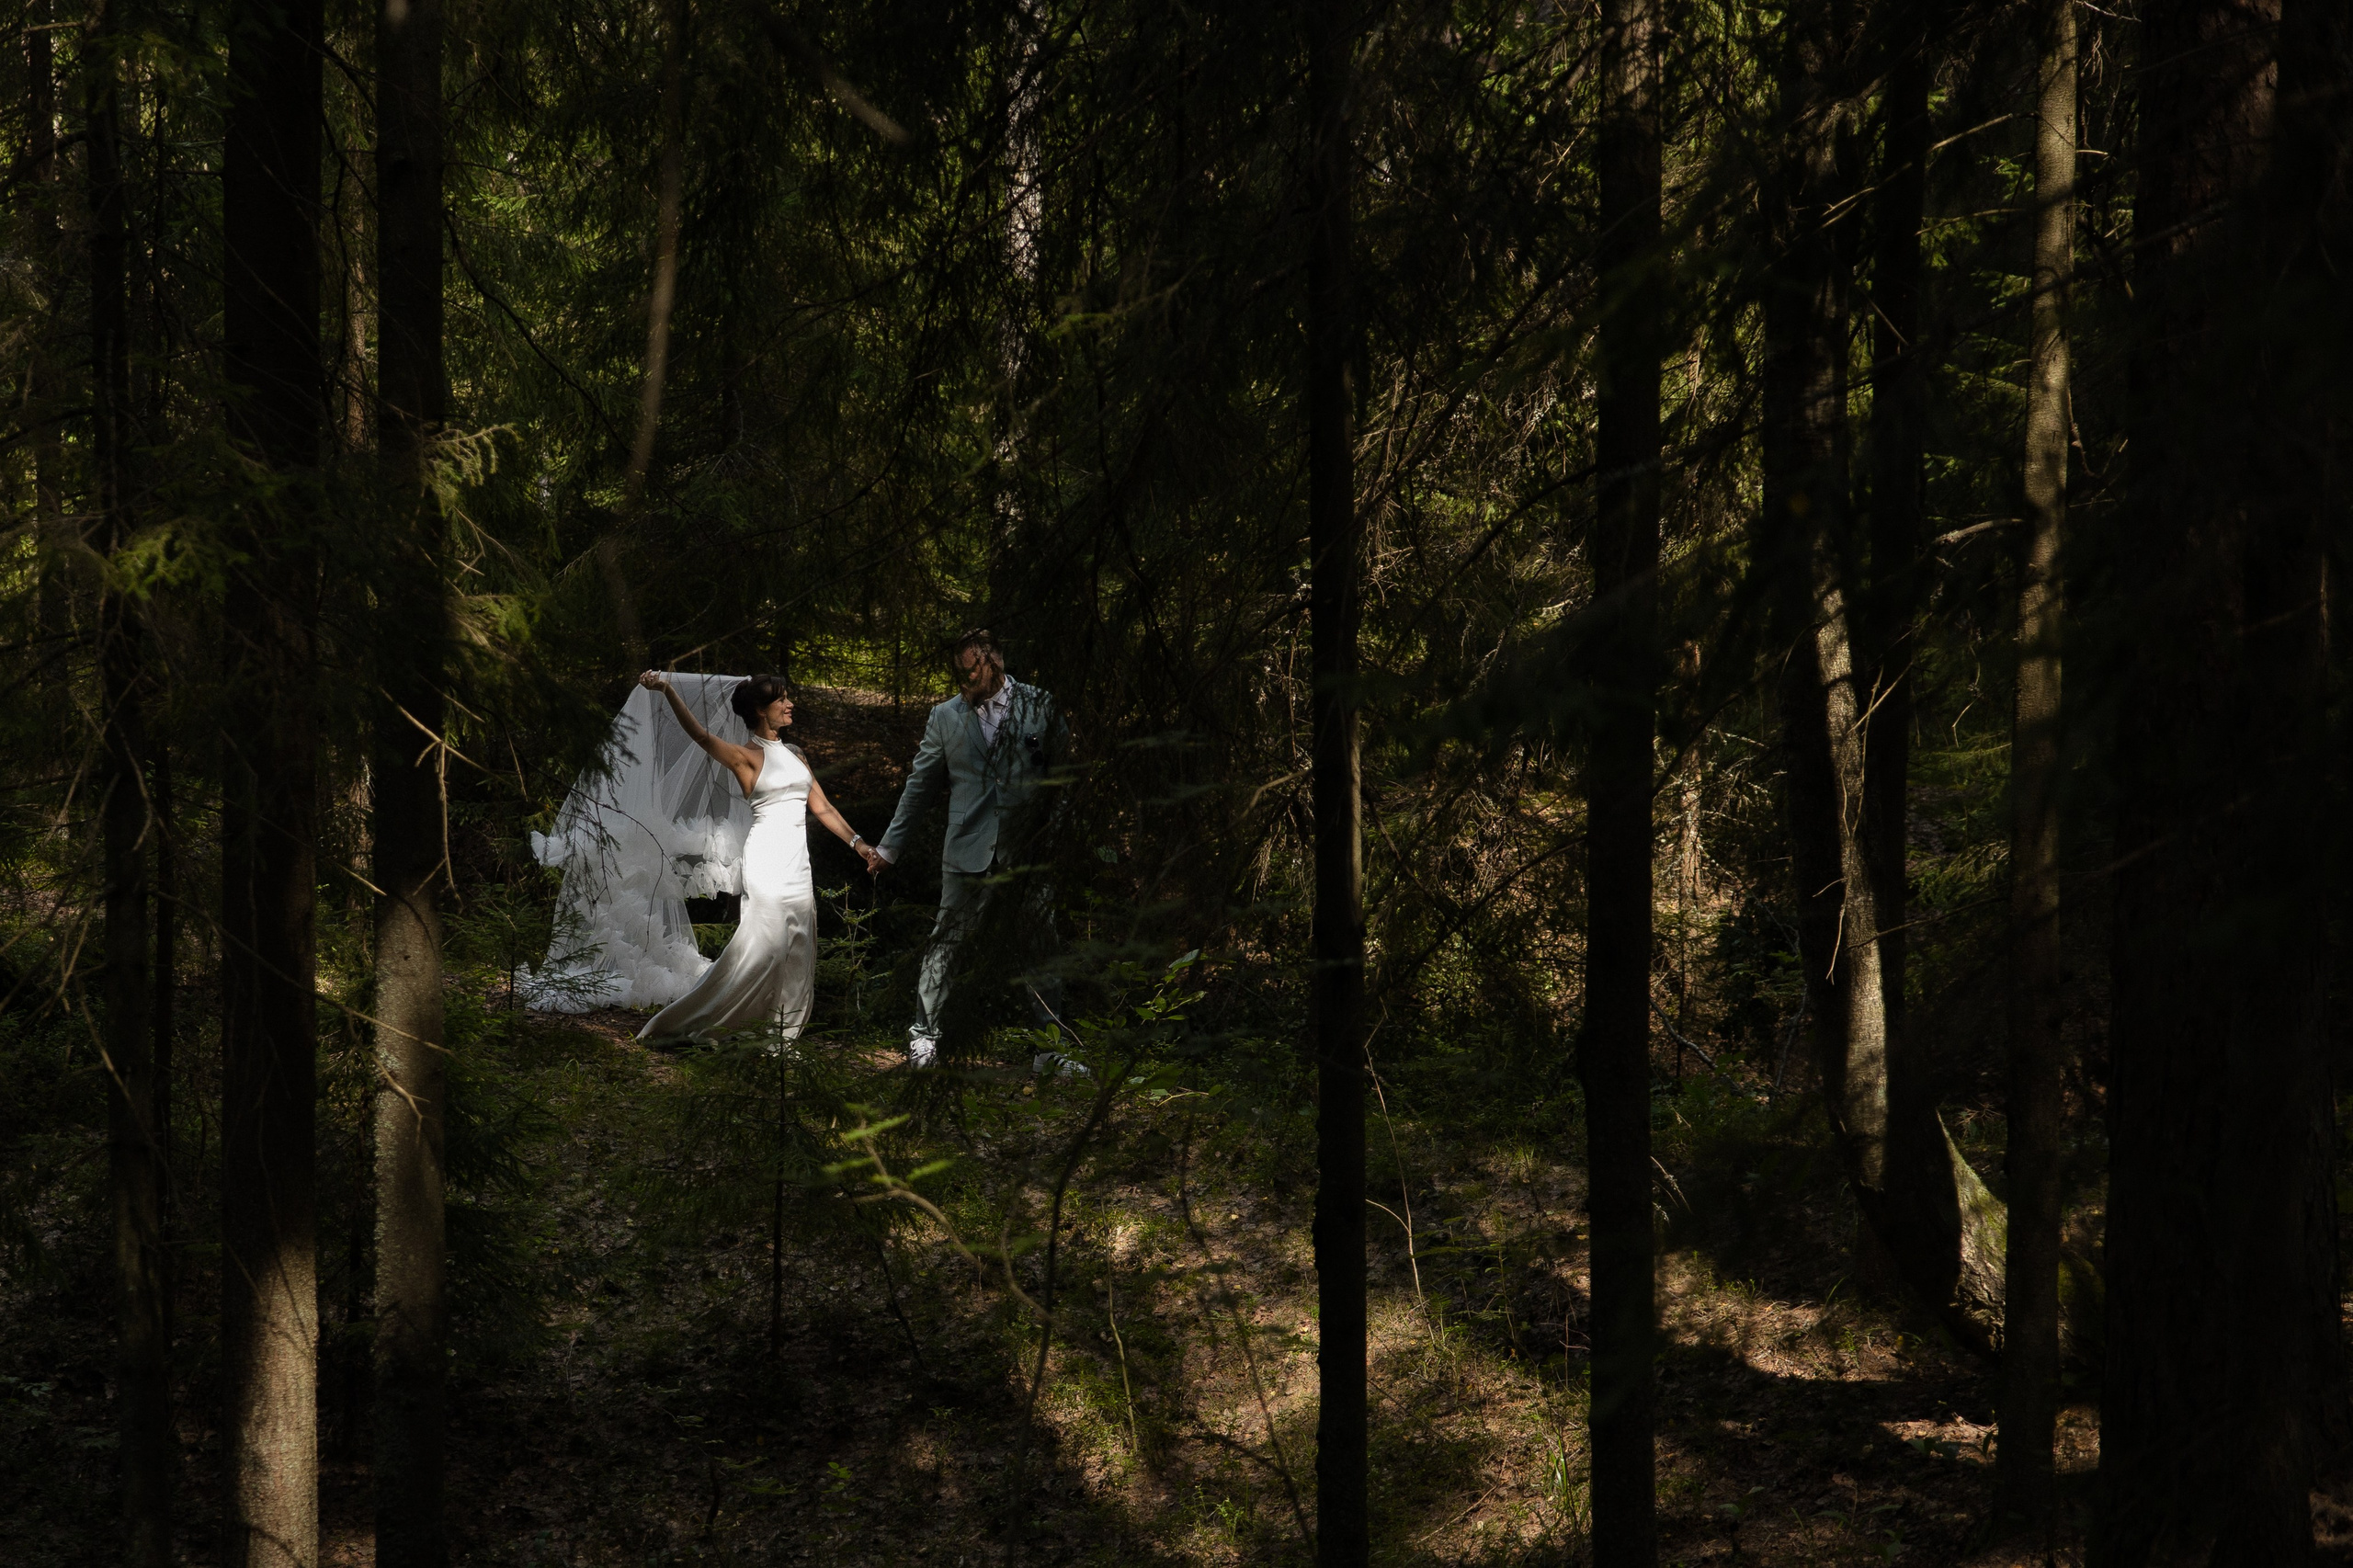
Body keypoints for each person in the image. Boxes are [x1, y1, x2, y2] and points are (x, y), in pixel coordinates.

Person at [864, 631, 1069, 1070]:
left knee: (1039, 949)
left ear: (994, 660)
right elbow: (918, 788)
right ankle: (924, 1038)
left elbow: (1064, 776)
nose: (964, 675)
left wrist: (1053, 837)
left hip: (1026, 855)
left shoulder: (1041, 704)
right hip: (967, 850)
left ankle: (1051, 1051)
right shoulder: (945, 717)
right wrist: (890, 848)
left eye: (972, 666)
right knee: (946, 945)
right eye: (959, 668)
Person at [635, 671, 870, 1045]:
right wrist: (666, 689)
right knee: (764, 947)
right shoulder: (745, 757)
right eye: (781, 700)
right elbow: (700, 735)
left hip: (798, 862)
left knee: (798, 946)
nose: (790, 704)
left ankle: (782, 1034)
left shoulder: (795, 754)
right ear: (761, 711)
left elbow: (822, 806)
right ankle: (700, 1022)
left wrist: (859, 844)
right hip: (767, 858)